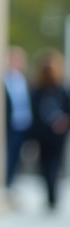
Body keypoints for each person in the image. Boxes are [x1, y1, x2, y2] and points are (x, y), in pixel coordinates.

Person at [29, 49, 70, 211]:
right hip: (45, 134)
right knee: (49, 164)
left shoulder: (61, 89)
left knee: (51, 164)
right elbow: (34, 112)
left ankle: (52, 195)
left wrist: (64, 122)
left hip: (56, 135)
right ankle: (51, 195)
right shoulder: (38, 90)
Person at [4, 46, 33, 191]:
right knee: (8, 153)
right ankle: (6, 181)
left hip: (22, 124)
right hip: (9, 124)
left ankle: (11, 181)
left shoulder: (22, 79)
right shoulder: (5, 77)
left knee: (16, 155)